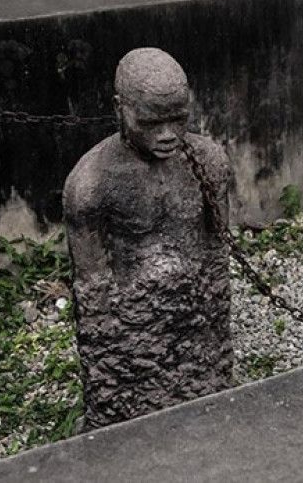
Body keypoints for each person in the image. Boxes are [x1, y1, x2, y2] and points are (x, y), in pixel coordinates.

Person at [63, 47, 232, 429]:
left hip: (196, 318)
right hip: (132, 330)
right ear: (120, 109)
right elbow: (92, 286)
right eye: (152, 122)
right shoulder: (91, 183)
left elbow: (216, 250)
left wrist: (210, 314)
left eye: (178, 119)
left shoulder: (209, 163)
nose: (168, 135)